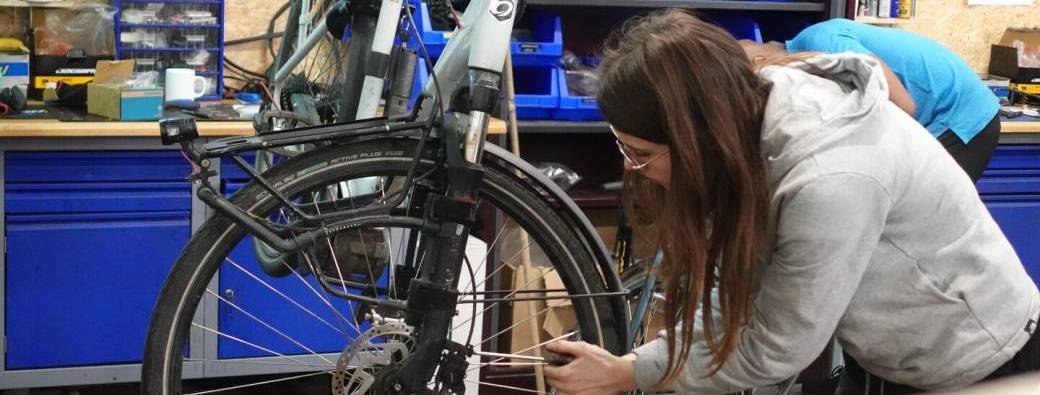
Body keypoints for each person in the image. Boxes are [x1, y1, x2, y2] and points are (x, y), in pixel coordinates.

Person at [541, 9, 1040, 395]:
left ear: (695, 137)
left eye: (640, 152)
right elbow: (726, 292)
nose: (629, 166)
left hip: (977, 364)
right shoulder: (743, 119)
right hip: (893, 352)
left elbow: (777, 348)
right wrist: (636, 366)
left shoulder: (829, 179)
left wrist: (631, 374)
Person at [740, 18, 1001, 183]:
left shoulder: (818, 41)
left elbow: (902, 106)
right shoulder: (807, 61)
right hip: (941, 114)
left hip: (961, 116)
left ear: (760, 61)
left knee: (912, 226)